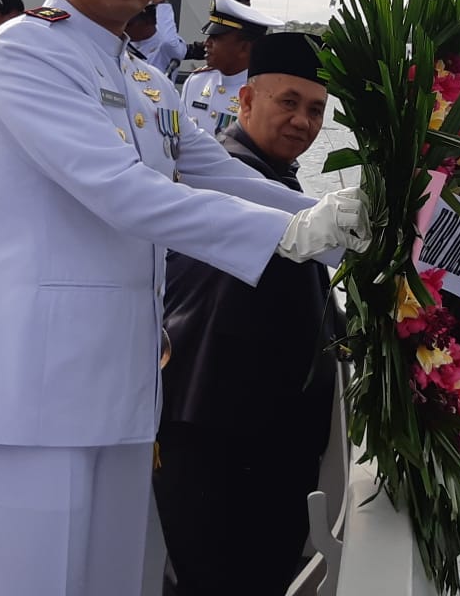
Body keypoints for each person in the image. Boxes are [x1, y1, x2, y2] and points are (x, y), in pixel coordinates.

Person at [0, 0, 370, 596]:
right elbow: (119, 191)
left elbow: (219, 172)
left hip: (120, 388)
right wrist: (291, 238)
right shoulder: (26, 50)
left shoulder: (140, 76)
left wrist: (338, 223)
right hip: (29, 389)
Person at [155, 32, 339, 596]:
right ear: (247, 101)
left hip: (252, 437)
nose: (302, 122)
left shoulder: (274, 179)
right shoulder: (239, 182)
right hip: (219, 442)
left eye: (315, 110)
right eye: (288, 102)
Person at [179, 0, 281, 135]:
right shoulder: (195, 82)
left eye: (216, 38)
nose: (206, 43)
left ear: (244, 48)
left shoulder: (264, 94)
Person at [127, 0, 187, 76]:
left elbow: (169, 42)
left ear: (149, 21)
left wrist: (163, 4)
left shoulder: (164, 47)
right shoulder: (123, 43)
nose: (124, 28)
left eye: (129, 24)